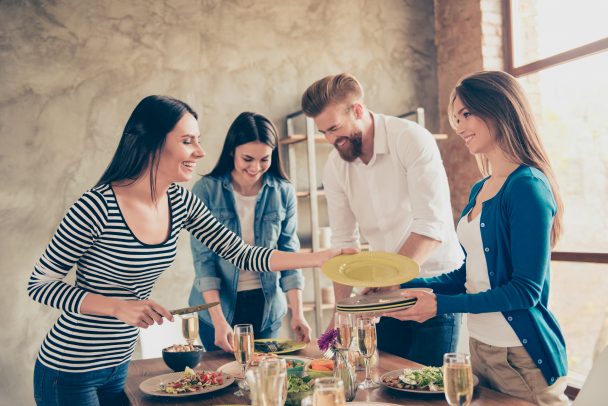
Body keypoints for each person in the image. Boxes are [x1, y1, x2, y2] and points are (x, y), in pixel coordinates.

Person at [27, 95, 350, 405]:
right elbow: (40, 284)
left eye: (198, 140)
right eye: (187, 141)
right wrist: (117, 307)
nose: (200, 151)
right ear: (153, 143)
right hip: (70, 370)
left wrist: (320, 258)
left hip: (119, 366)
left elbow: (242, 253)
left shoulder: (179, 201)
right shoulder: (97, 206)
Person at [386, 71, 568, 405]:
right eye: (456, 118)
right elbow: (468, 275)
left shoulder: (527, 186)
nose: (459, 127)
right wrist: (404, 286)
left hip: (521, 358)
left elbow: (525, 291)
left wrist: (440, 305)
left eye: (466, 114)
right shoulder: (481, 188)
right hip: (481, 348)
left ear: (499, 108)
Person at [301, 73, 465, 367]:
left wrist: (387, 284)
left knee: (427, 385)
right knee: (383, 380)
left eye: (335, 128)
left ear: (358, 110)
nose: (330, 140)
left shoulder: (410, 139)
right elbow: (344, 244)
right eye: (323, 132)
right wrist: (339, 317)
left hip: (434, 285)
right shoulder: (335, 166)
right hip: (386, 291)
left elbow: (431, 227)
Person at [189, 111, 311, 352]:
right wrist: (218, 321)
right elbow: (204, 261)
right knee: (221, 375)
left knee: (264, 373)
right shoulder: (206, 190)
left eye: (264, 159)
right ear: (232, 151)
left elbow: (289, 253)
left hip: (267, 308)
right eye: (247, 158)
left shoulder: (283, 191)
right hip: (218, 306)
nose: (256, 167)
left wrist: (298, 312)